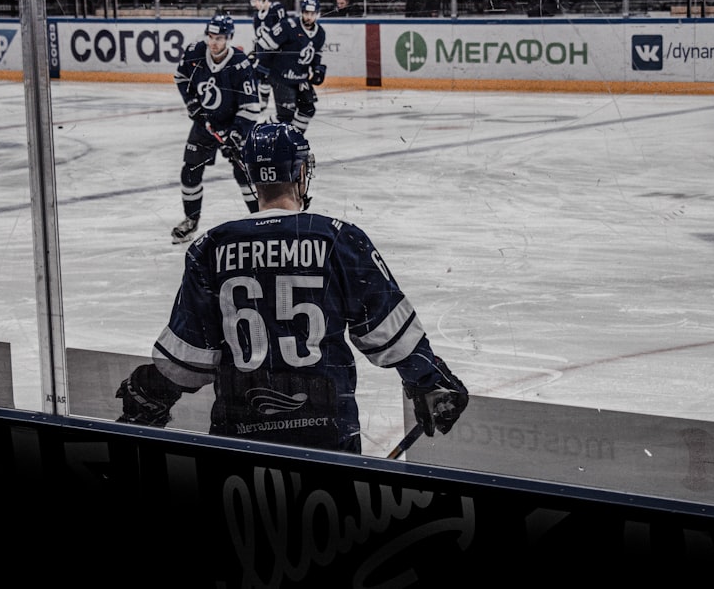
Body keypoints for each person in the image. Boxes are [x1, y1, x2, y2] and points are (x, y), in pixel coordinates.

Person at [116, 122, 469, 453]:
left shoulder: (211, 246)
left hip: (238, 432)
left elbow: (187, 359)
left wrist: (154, 389)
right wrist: (428, 380)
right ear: (301, 173)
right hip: (327, 431)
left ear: (253, 177)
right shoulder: (339, 239)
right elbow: (390, 334)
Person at [169, 14, 262, 244]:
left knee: (244, 172)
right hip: (205, 124)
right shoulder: (194, 52)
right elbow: (181, 77)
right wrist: (191, 103)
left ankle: (261, 220)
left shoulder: (240, 63)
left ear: (229, 38)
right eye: (210, 37)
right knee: (190, 170)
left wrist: (236, 135)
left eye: (219, 38)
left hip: (235, 124)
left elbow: (250, 106)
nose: (213, 42)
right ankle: (190, 220)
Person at [254, 0, 326, 134]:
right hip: (282, 77)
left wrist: (317, 70)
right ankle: (259, 132)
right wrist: (261, 65)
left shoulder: (320, 33)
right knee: (285, 116)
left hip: (301, 79)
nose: (309, 17)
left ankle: (294, 138)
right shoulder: (288, 26)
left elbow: (316, 55)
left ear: (318, 14)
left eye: (312, 14)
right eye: (306, 13)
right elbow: (264, 44)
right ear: (302, 12)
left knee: (308, 110)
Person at [248, 0, 286, 110]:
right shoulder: (257, 16)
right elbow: (258, 37)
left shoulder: (276, 8)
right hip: (265, 52)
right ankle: (263, 103)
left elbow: (285, 29)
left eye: (256, 0)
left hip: (279, 51)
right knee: (261, 75)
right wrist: (255, 50)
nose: (255, 4)